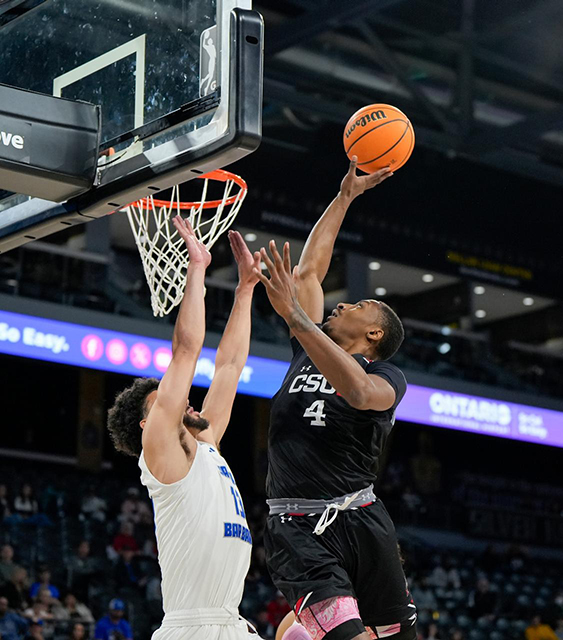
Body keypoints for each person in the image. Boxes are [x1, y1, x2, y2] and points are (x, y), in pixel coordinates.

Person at [256, 159, 411, 640]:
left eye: (357, 306)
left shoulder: (385, 374)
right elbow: (307, 273)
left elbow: (361, 394)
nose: (341, 303)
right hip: (297, 529)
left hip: (363, 519)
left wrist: (299, 320)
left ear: (374, 332)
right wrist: (345, 196)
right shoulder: (308, 349)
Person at [105, 223, 261, 640]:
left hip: (232, 622)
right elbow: (187, 350)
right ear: (147, 424)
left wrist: (245, 290)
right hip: (192, 628)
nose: (183, 399)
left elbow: (228, 366)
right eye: (165, 400)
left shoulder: (206, 443)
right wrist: (197, 270)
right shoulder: (162, 454)